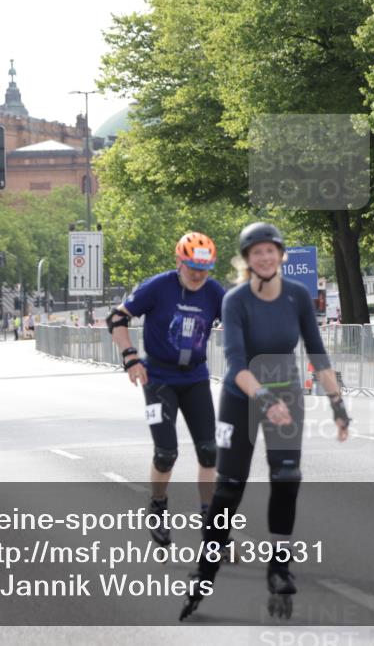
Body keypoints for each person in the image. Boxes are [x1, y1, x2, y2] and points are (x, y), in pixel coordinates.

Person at [180, 222, 351, 621]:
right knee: (229, 489)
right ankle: (205, 571)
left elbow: (317, 352)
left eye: (270, 250)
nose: (264, 257)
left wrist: (338, 405)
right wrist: (264, 398)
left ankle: (279, 564)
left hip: (287, 393)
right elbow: (237, 365)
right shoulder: (236, 301)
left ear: (280, 254)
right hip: (242, 397)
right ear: (247, 259)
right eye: (256, 252)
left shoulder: (296, 297)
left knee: (288, 478)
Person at [108, 232, 226, 548]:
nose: (199, 275)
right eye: (192, 268)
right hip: (157, 379)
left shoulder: (214, 292)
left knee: (209, 450)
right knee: (166, 453)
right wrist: (130, 357)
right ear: (179, 262)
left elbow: (238, 327)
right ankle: (158, 505)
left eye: (205, 269)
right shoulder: (158, 287)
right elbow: (117, 318)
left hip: (196, 378)